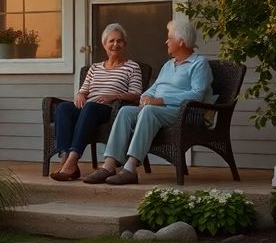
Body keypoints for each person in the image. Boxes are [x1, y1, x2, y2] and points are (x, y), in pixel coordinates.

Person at [83, 18, 212, 185]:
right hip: (158, 109)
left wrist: (160, 100)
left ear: (181, 42)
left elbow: (197, 94)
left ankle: (130, 168)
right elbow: (156, 86)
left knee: (149, 111)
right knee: (126, 112)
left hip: (181, 112)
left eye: (169, 38)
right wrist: (145, 96)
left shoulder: (199, 64)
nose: (166, 42)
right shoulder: (168, 65)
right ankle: (109, 165)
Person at [49, 23, 143, 181]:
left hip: (110, 110)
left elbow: (136, 95)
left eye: (119, 41)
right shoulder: (94, 68)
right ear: (104, 44)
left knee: (91, 107)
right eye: (111, 41)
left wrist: (115, 96)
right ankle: (65, 159)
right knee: (63, 107)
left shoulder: (132, 67)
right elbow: (84, 90)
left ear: (125, 44)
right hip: (89, 108)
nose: (115, 44)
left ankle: (72, 161)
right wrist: (80, 93)